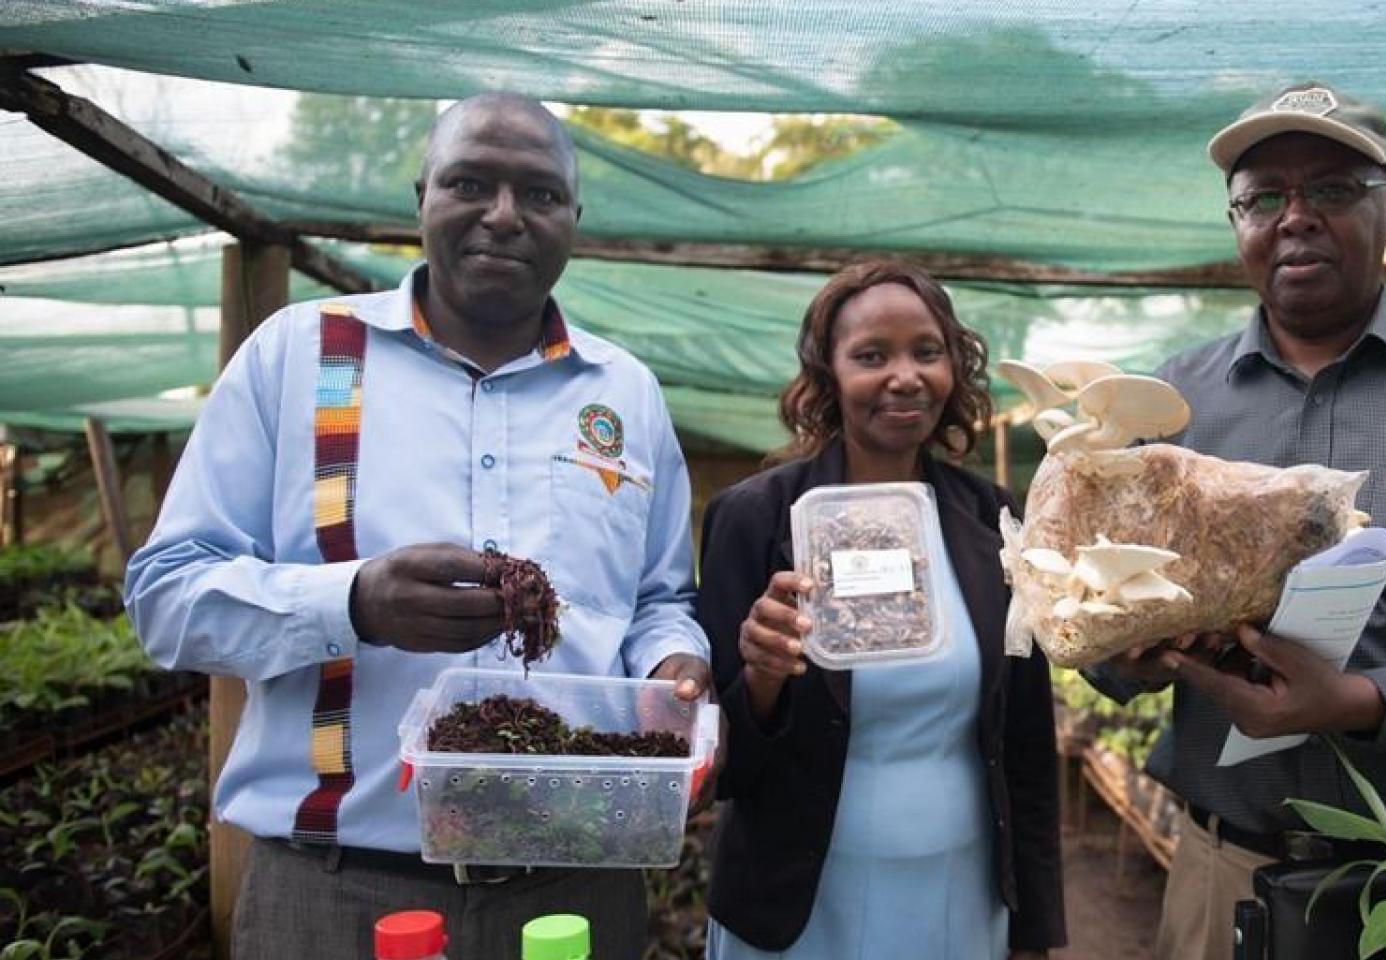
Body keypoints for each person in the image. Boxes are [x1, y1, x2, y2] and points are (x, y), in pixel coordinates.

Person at [124, 93, 710, 958]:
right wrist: (354, 601)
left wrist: (673, 662)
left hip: (575, 883)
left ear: (573, 218)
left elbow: (659, 596)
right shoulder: (300, 355)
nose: (504, 216)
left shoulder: (623, 392)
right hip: (335, 890)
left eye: (540, 194)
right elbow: (166, 597)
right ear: (422, 198)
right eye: (470, 182)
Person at [1085, 81, 1386, 960]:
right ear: (1235, 222)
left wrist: (1360, 702)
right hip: (1220, 871)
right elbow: (1110, 620)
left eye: (1331, 189)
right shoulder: (1172, 402)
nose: (1295, 217)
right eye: (1263, 197)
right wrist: (1124, 652)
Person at [697, 259, 1066, 960]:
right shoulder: (756, 518)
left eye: (927, 352)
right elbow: (725, 766)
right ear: (828, 374)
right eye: (871, 356)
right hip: (800, 905)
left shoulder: (994, 520)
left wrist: (1035, 929)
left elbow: (1024, 738)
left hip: (959, 893)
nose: (905, 376)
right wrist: (763, 675)